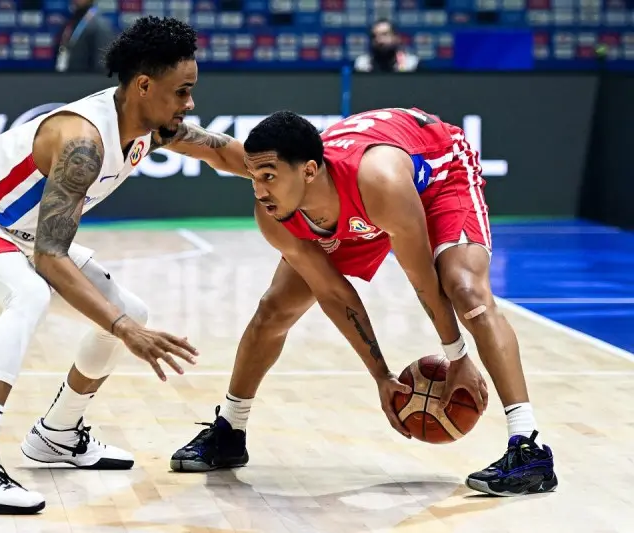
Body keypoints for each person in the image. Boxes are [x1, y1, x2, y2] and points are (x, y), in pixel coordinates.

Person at [0, 16, 243, 515]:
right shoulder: (83, 141)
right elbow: (50, 257)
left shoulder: (148, 129)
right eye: (182, 91)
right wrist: (123, 329)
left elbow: (224, 154)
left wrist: (296, 171)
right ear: (144, 86)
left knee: (129, 310)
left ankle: (57, 433)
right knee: (33, 296)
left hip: (20, 236)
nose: (190, 103)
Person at [170, 108, 558, 497]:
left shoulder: (379, 181)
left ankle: (529, 447)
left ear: (308, 171)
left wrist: (457, 356)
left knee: (465, 290)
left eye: (268, 177)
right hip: (355, 209)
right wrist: (381, 375)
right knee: (274, 309)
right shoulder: (273, 211)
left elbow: (422, 279)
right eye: (253, 177)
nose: (258, 191)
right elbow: (334, 294)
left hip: (437, 177)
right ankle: (230, 430)